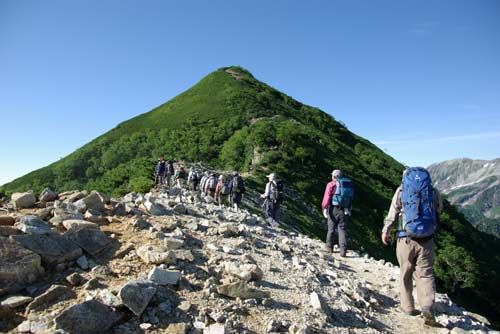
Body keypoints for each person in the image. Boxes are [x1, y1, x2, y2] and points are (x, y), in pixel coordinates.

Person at [381, 167, 442, 326]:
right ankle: (427, 306)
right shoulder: (432, 191)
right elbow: (439, 209)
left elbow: (392, 213)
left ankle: (407, 306)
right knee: (425, 274)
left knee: (405, 272)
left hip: (405, 239)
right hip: (427, 240)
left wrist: (385, 231)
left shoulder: (401, 191)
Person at [321, 169, 354, 257]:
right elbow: (351, 198)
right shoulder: (347, 184)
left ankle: (329, 247)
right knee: (342, 230)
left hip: (333, 209)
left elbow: (326, 197)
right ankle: (343, 251)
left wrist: (324, 207)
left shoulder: (331, 184)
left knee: (331, 229)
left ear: (334, 176)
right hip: (344, 210)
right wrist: (349, 209)